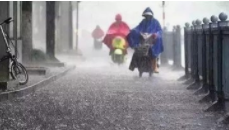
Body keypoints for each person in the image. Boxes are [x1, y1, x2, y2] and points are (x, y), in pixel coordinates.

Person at [127, 7, 164, 73]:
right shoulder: (143, 22)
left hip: (152, 41)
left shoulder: (155, 22)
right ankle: (133, 65)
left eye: (149, 16)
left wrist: (156, 35)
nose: (147, 17)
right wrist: (133, 31)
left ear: (151, 15)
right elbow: (138, 28)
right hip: (143, 40)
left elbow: (160, 31)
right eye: (146, 16)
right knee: (137, 51)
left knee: (153, 53)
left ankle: (155, 67)